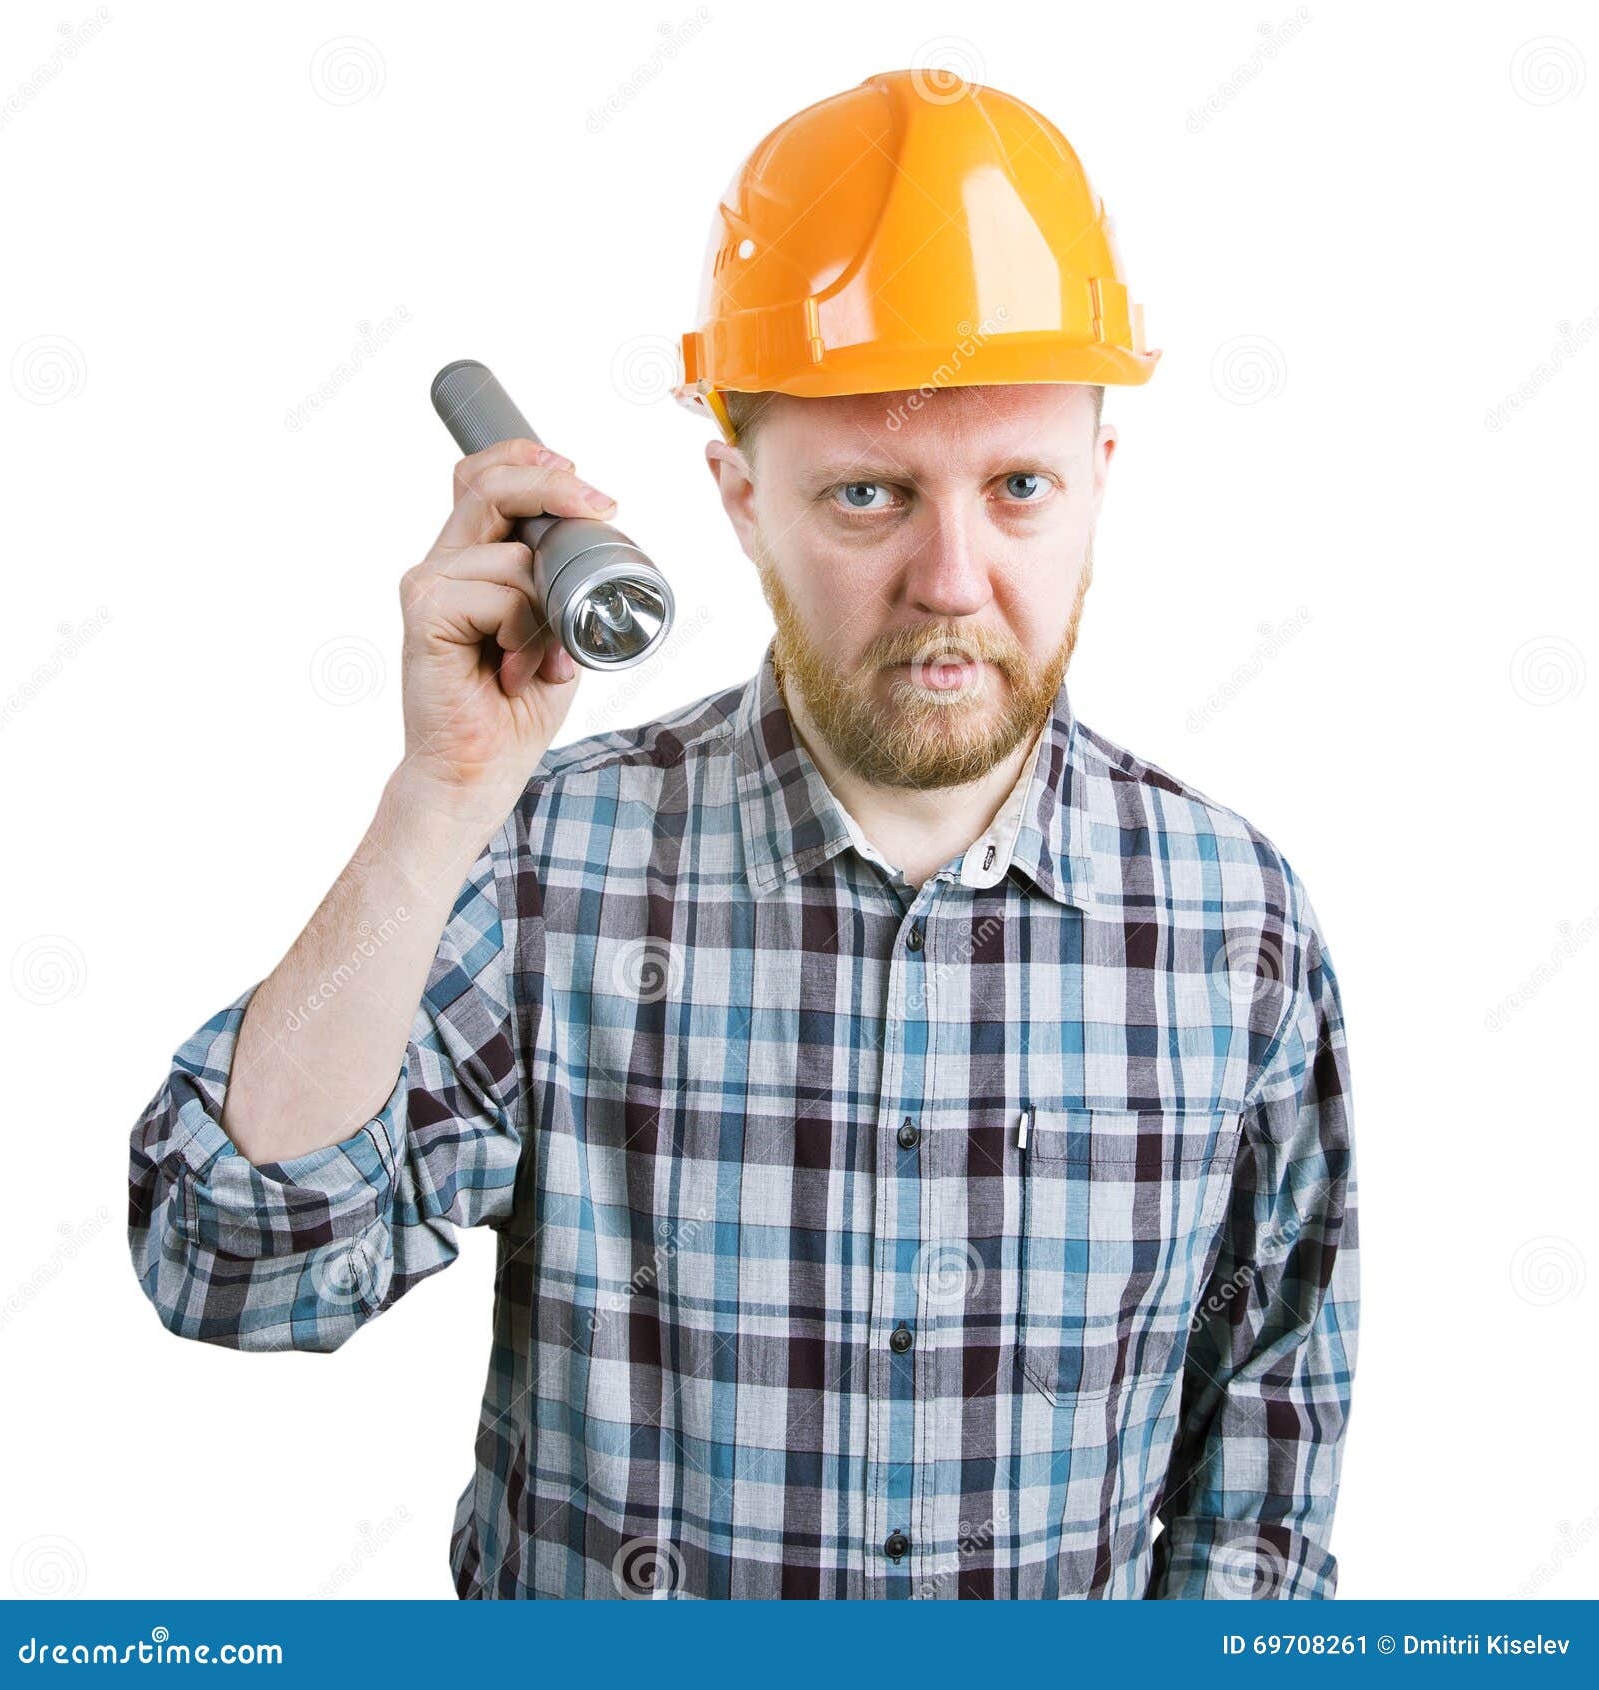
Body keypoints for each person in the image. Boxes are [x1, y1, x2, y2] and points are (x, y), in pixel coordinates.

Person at [126, 68, 1357, 1600]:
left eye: (1019, 487)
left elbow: (1261, 1494)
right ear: (738, 495)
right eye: (869, 495)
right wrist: (436, 803)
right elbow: (231, 1264)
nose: (952, 576)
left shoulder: (1237, 923)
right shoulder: (547, 867)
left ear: (1100, 482)